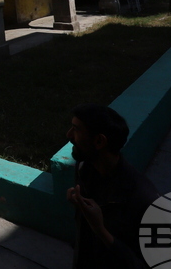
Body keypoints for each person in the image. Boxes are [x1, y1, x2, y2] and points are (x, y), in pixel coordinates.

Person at [65, 103, 158, 269]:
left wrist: (100, 230)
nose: (69, 135)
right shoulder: (84, 168)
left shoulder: (145, 200)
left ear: (99, 141)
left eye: (76, 129)